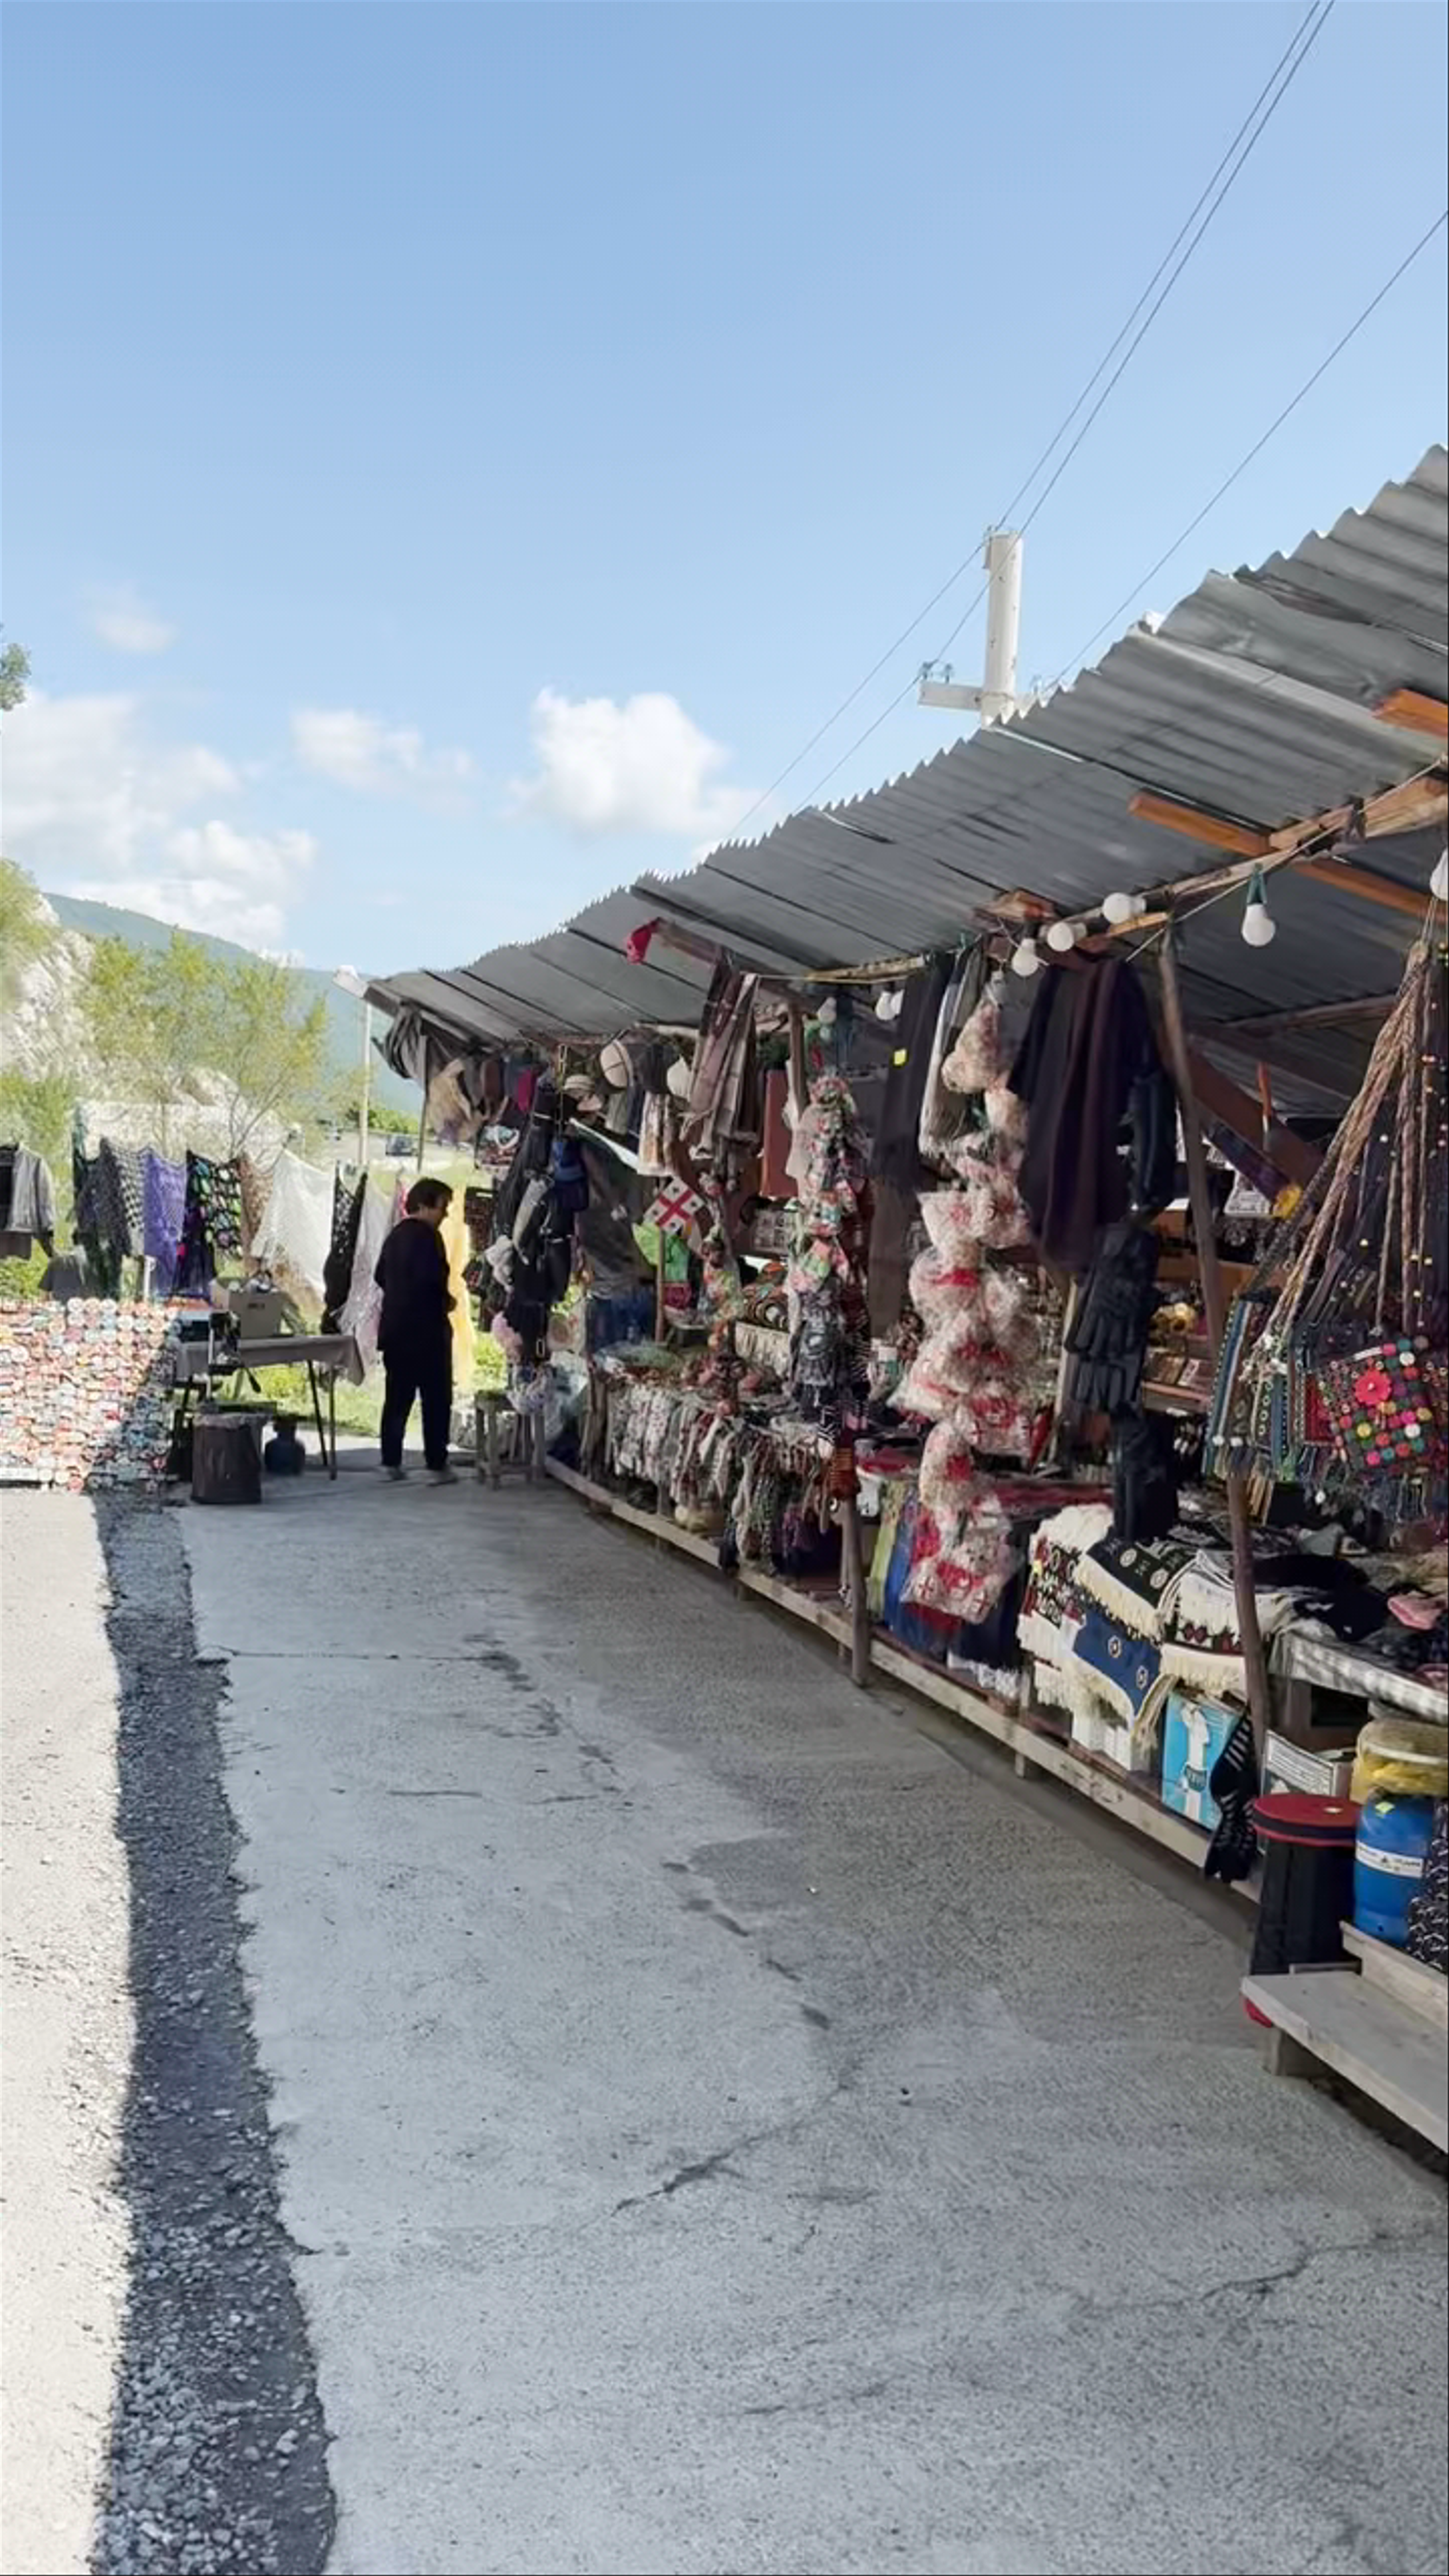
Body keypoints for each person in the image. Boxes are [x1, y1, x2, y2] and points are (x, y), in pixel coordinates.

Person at [375, 1178, 458, 1484]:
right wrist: (446, 1302)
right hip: (427, 1333)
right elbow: (431, 1283)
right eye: (442, 1207)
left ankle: (390, 1463)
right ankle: (436, 1465)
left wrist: (400, 1298)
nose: (445, 1214)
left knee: (397, 1398)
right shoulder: (428, 1238)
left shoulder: (396, 1236)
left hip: (396, 1331)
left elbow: (380, 1275)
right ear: (424, 1206)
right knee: (435, 1399)